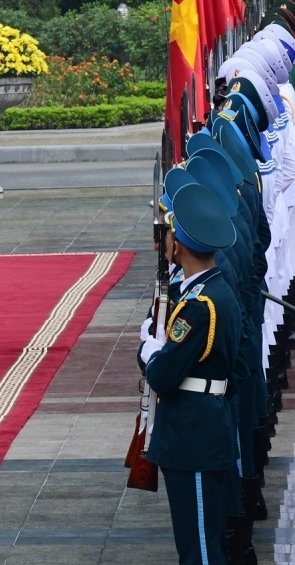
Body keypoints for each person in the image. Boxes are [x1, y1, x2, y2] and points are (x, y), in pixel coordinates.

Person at [140, 181, 241, 565]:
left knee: (199, 551)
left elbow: (162, 374)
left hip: (193, 437)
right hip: (202, 431)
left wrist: (151, 350)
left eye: (167, 234)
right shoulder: (211, 289)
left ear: (178, 246)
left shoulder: (200, 307)